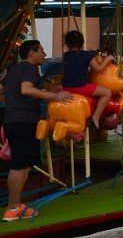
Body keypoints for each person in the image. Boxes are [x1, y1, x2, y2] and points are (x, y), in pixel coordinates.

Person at [0, 41, 72, 222]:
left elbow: (3, 89)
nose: (44, 53)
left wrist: (46, 91)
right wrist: (55, 96)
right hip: (24, 121)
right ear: (31, 53)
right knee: (20, 165)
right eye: (41, 51)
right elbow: (26, 89)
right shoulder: (30, 68)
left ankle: (14, 205)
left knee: (20, 164)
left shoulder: (15, 69)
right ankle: (13, 208)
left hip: (12, 120)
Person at [61, 30, 115, 129]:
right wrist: (108, 58)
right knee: (107, 92)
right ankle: (96, 117)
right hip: (80, 87)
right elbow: (98, 69)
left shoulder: (66, 55)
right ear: (82, 42)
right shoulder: (87, 55)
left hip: (66, 87)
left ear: (67, 43)